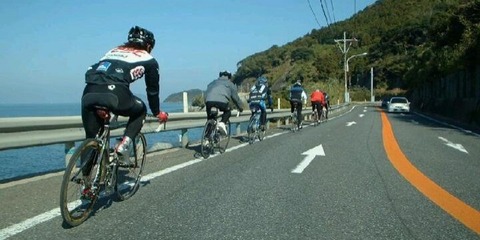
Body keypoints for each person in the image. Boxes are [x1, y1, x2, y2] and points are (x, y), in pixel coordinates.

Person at [81, 26, 168, 162]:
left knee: (92, 139)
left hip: (89, 92)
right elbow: (152, 90)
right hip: (115, 93)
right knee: (141, 110)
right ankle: (124, 145)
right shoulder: (149, 59)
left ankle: (85, 180)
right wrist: (157, 112)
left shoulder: (112, 51)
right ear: (149, 45)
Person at [205, 71, 244, 135]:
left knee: (210, 119)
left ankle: (206, 138)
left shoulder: (212, 83)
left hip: (209, 101)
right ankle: (222, 123)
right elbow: (235, 98)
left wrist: (207, 102)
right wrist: (240, 107)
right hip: (222, 102)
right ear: (229, 77)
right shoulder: (230, 84)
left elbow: (206, 93)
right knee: (228, 112)